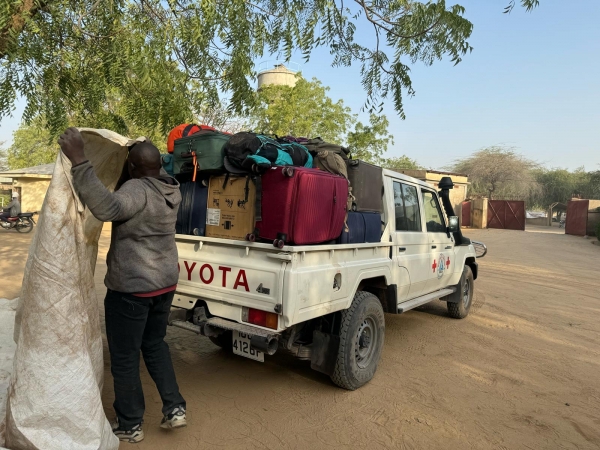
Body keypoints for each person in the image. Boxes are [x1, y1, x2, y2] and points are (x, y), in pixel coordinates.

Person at [58, 128, 186, 444]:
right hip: (164, 284)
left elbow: (107, 208)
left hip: (131, 290)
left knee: (125, 358)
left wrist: (79, 159)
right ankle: (175, 408)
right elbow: (148, 166)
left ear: (131, 169)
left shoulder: (137, 191)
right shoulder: (171, 187)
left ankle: (130, 424)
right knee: (155, 345)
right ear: (159, 165)